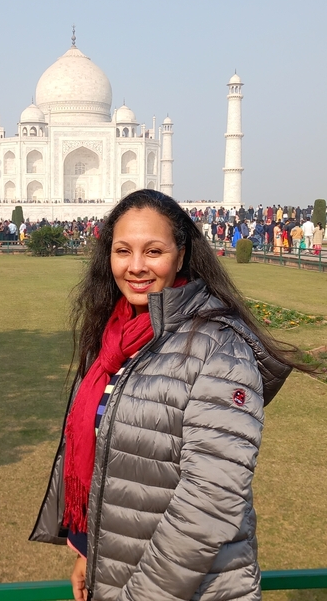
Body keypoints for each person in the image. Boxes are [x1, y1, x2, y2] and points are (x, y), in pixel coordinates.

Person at [30, 189, 304, 601]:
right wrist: (92, 553)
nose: (136, 266)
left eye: (153, 251)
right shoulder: (112, 340)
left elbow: (210, 503)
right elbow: (114, 465)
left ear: (181, 254)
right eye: (123, 250)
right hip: (119, 577)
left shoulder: (217, 347)